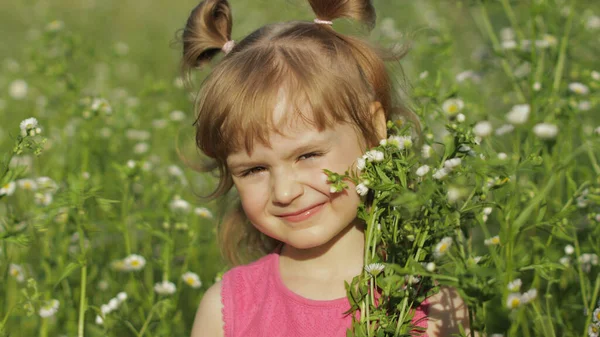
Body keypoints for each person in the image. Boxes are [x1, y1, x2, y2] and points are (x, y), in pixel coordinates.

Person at [181, 0, 472, 336]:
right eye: (254, 170)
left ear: (375, 129)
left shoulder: (431, 305)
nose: (285, 192)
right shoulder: (226, 311)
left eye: (307, 155)